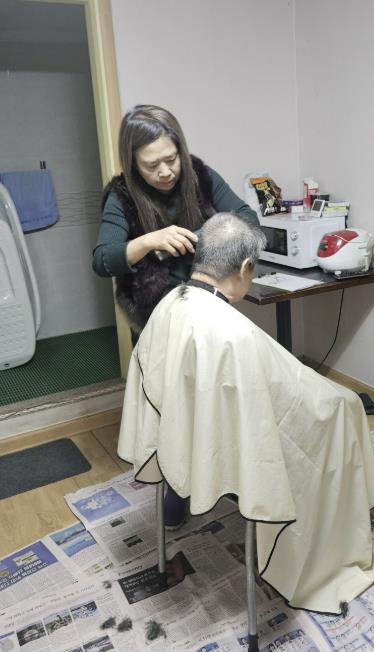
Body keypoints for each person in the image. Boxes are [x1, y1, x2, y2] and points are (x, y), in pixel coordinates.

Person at [118, 212, 374, 614]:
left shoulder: (170, 303)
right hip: (245, 433)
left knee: (337, 401)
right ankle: (344, 520)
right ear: (246, 268)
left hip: (185, 430)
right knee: (345, 405)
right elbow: (277, 404)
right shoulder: (233, 333)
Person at [92, 105, 258, 526]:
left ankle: (227, 472)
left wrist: (204, 237)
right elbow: (103, 259)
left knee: (219, 397)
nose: (166, 171)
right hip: (157, 318)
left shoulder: (199, 175)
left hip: (207, 309)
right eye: (152, 165)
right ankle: (176, 485)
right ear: (132, 163)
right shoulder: (121, 197)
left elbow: (247, 219)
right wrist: (149, 241)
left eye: (171, 159)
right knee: (172, 410)